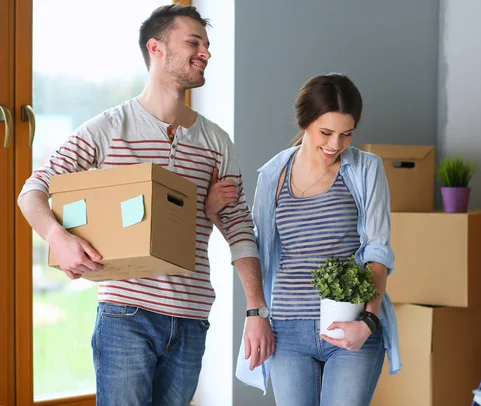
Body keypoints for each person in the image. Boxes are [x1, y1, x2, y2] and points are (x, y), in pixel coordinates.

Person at [17, 4, 273, 405]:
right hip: (125, 314)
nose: (206, 52)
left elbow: (240, 228)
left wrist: (257, 312)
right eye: (194, 42)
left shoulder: (216, 142)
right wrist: (58, 237)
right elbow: (33, 188)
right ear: (156, 48)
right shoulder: (109, 128)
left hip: (191, 318)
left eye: (207, 44)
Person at [207, 73, 402, 405]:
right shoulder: (274, 175)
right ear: (306, 123)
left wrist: (368, 321)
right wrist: (214, 212)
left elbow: (378, 251)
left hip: (351, 324)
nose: (336, 145)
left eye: (346, 134)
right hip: (287, 330)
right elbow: (253, 246)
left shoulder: (366, 169)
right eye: (326, 132)